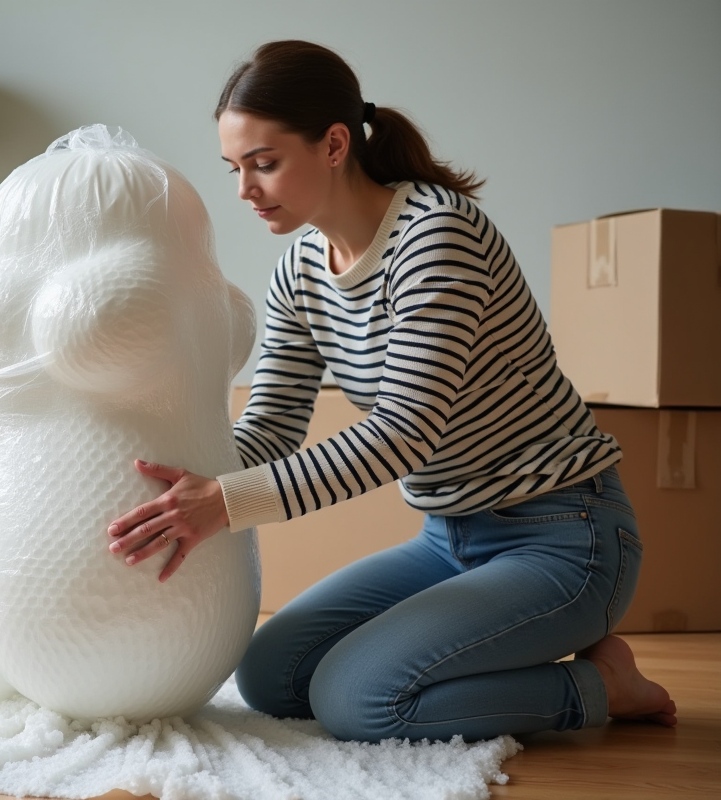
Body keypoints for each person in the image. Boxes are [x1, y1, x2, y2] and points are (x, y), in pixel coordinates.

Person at [105, 39, 677, 743]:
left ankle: (600, 685)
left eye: (264, 163)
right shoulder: (299, 273)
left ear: (335, 143)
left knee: (360, 701)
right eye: (234, 168)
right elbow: (270, 431)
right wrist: (163, 480)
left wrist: (223, 503)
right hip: (446, 537)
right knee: (271, 676)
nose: (244, 190)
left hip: (564, 536)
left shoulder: (436, 236)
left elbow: (405, 434)